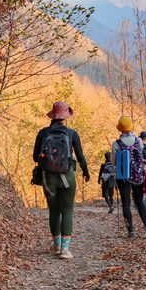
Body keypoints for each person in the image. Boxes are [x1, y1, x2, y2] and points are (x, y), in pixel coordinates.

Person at [33, 101, 90, 259]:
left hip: (48, 177)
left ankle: (56, 245)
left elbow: (34, 157)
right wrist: (86, 172)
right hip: (67, 176)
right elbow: (80, 157)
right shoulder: (72, 134)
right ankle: (65, 250)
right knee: (67, 210)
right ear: (66, 116)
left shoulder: (43, 133)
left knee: (54, 210)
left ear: (52, 115)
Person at [112, 116, 146, 240]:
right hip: (138, 175)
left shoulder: (116, 144)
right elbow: (142, 151)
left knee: (126, 204)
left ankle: (131, 232)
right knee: (140, 202)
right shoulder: (138, 141)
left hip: (123, 177)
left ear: (120, 129)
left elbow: (114, 162)